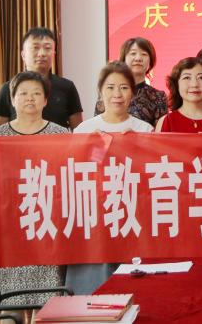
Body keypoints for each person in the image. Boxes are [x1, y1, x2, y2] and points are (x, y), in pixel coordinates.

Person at [0, 72, 67, 304]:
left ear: (46, 100)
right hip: (8, 225)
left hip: (47, 223)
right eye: (23, 93)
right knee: (9, 301)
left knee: (46, 301)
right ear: (13, 100)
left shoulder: (61, 135)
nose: (30, 98)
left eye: (36, 93)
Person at [66, 61, 154, 295]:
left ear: (132, 93)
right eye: (111, 87)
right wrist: (93, 148)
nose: (117, 94)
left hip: (133, 212)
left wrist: (138, 147)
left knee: (132, 283)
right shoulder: (84, 130)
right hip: (95, 213)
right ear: (101, 91)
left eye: (124, 88)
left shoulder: (144, 129)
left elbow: (151, 176)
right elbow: (74, 174)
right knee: (95, 285)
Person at [0, 27, 83, 129]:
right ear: (23, 55)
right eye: (35, 48)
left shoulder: (67, 87)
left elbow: (78, 131)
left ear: (54, 54)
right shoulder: (7, 88)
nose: (42, 54)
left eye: (47, 48)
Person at [93, 37, 168, 126]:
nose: (138, 58)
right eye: (133, 53)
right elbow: (98, 124)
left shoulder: (158, 97)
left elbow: (160, 131)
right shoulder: (109, 91)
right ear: (123, 59)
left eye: (144, 54)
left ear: (150, 62)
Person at [157, 57, 202, 133]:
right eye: (187, 77)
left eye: (201, 78)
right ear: (176, 84)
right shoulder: (166, 122)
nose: (194, 84)